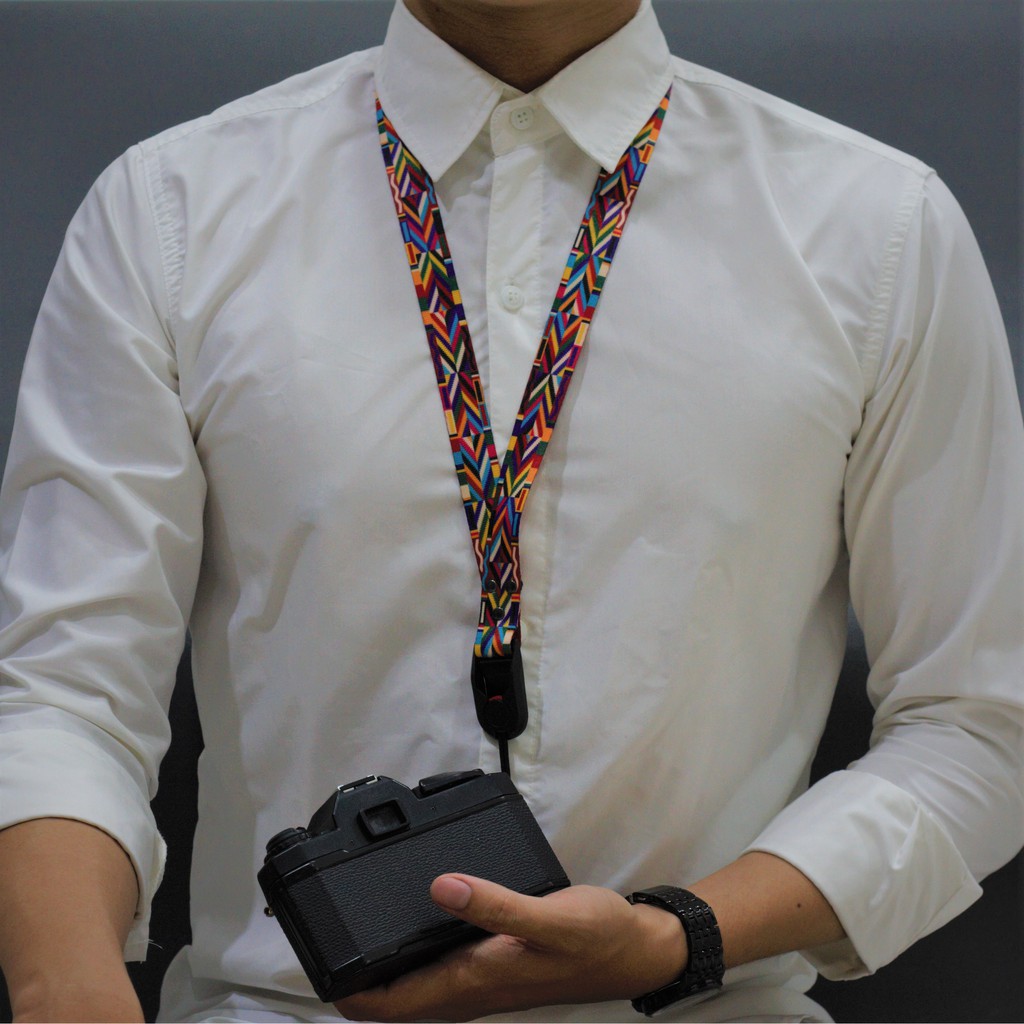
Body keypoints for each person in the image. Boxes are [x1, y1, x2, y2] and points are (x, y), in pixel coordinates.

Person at [0, 0, 1021, 1021]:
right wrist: (64, 992)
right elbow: (61, 693)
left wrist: (680, 933)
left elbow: (977, 721)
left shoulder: (879, 229)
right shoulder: (169, 211)